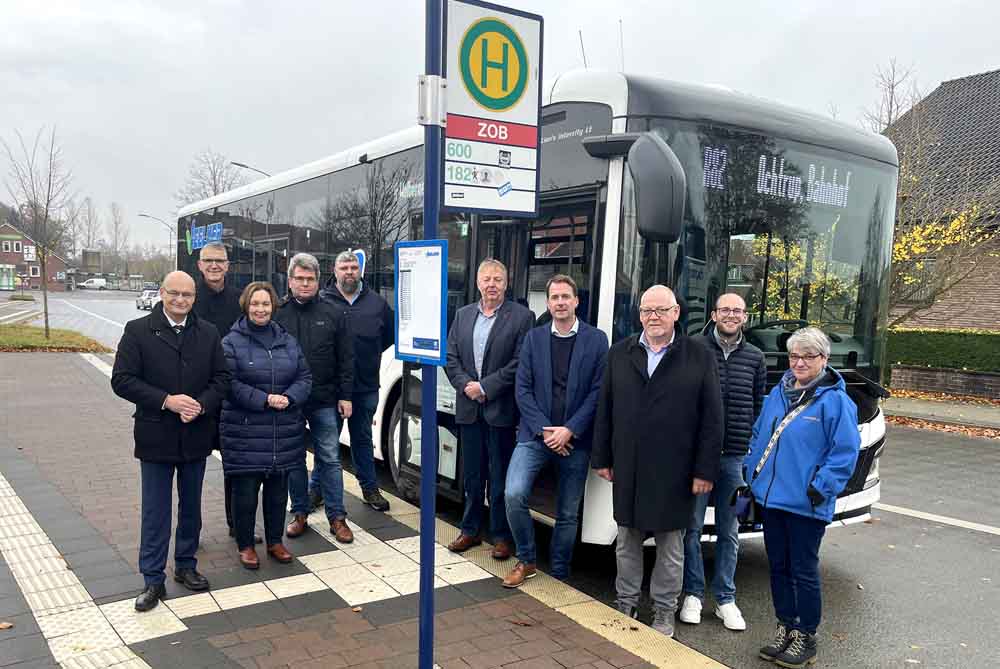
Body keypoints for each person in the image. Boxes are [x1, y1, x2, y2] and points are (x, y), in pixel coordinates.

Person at [591, 285, 723, 638]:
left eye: (661, 310)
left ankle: (665, 611)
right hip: (630, 465)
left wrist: (704, 469)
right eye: (647, 310)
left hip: (676, 469)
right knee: (627, 540)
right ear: (639, 315)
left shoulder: (698, 355)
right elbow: (605, 408)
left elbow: (712, 418)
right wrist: (602, 456)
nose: (653, 317)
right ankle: (626, 601)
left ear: (676, 313)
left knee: (670, 547)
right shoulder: (620, 353)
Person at [111, 271, 230, 612]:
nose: (180, 300)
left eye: (187, 295)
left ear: (195, 298)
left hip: (195, 434)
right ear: (162, 293)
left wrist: (202, 404)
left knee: (191, 505)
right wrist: (167, 400)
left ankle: (186, 565)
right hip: (155, 435)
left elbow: (222, 379)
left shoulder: (207, 333)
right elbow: (122, 380)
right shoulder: (138, 331)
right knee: (155, 511)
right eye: (174, 293)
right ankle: (152, 579)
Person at [747, 327, 860, 668]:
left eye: (808, 356)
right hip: (772, 500)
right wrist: (750, 471)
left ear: (824, 360)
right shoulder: (779, 394)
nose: (799, 362)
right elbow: (759, 434)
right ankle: (785, 628)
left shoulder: (836, 401)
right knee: (779, 569)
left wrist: (819, 487)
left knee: (804, 571)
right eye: (794, 356)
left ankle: (805, 636)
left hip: (806, 504)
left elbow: (844, 454)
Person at [502, 275, 608, 587]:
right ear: (547, 303)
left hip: (576, 440)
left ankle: (560, 572)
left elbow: (598, 392)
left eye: (566, 297)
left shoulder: (597, 339)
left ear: (576, 301)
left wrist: (570, 430)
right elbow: (522, 390)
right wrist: (547, 432)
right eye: (554, 297)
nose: (560, 302)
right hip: (536, 437)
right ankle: (527, 559)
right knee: (514, 493)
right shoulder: (533, 339)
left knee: (568, 513)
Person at [679, 293, 766, 631]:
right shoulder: (693, 348)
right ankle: (693, 594)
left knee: (733, 529)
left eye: (738, 311)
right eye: (725, 309)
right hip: (698, 458)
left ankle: (726, 598)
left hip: (737, 461)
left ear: (745, 317)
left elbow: (757, 406)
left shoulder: (756, 357)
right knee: (692, 528)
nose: (731, 315)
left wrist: (749, 451)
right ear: (714, 314)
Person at [444, 259, 534, 560]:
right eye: (486, 279)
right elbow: (451, 356)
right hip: (469, 408)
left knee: (499, 477)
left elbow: (520, 362)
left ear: (506, 284)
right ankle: (470, 530)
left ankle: (501, 536)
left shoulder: (522, 317)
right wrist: (467, 385)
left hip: (501, 410)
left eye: (497, 278)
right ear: (478, 283)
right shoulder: (463, 314)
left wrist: (486, 387)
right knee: (472, 475)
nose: (491, 284)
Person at [220, 282, 311, 569]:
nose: (260, 309)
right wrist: (265, 399)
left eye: (266, 304)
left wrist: (289, 397)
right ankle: (246, 545)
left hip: (283, 432)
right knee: (245, 494)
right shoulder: (231, 342)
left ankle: (275, 541)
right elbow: (229, 383)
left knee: (276, 493)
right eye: (255, 304)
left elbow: (305, 377)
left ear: (273, 307)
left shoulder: (287, 340)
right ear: (246, 306)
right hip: (246, 430)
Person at [275, 253, 356, 544]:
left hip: (325, 399)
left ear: (318, 281)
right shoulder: (278, 313)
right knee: (294, 459)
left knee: (331, 458)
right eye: (300, 278)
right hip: (290, 401)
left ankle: (337, 517)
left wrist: (346, 396)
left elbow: (347, 359)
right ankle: (300, 513)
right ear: (290, 280)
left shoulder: (334, 313)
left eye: (310, 279)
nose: (305, 284)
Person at [191, 241, 258, 545]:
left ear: (228, 265)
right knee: (194, 469)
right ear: (200, 265)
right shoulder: (188, 299)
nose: (215, 266)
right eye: (209, 260)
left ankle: (238, 526)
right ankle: (191, 530)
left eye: (220, 261)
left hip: (233, 397)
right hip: (199, 397)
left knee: (237, 468)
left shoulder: (238, 300)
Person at [321, 250, 394, 512]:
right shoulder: (323, 301)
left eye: (353, 267)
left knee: (362, 438)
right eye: (344, 267)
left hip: (364, 386)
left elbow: (388, 336)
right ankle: (316, 491)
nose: (349, 271)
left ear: (359, 270)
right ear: (335, 270)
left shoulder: (377, 303)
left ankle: (370, 490)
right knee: (328, 443)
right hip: (332, 387)